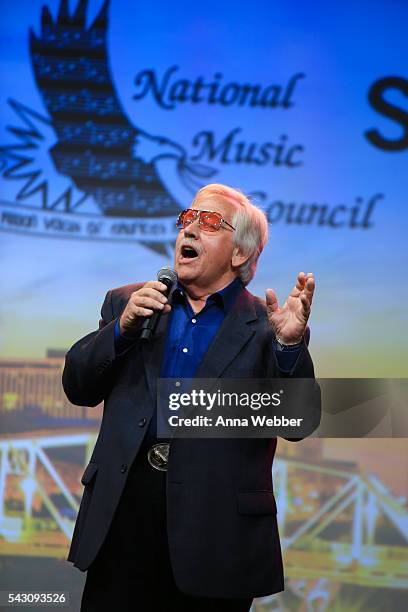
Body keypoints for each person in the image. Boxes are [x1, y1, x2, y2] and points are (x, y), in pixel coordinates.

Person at [63, 183, 320, 612]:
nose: (190, 229)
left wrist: (289, 347)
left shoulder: (266, 326)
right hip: (123, 523)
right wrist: (120, 331)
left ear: (239, 254)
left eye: (210, 223)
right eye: (187, 218)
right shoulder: (129, 303)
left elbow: (299, 423)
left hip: (216, 538)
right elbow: (77, 387)